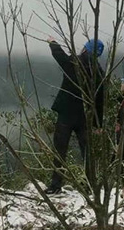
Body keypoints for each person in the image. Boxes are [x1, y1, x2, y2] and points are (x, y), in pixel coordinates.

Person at [45, 37, 105, 194]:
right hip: (85, 116)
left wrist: (53, 43)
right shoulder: (99, 72)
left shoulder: (75, 62)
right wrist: (98, 124)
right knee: (87, 152)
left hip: (66, 113)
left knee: (60, 150)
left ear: (85, 48)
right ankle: (91, 185)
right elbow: (100, 100)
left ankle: (56, 185)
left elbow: (61, 57)